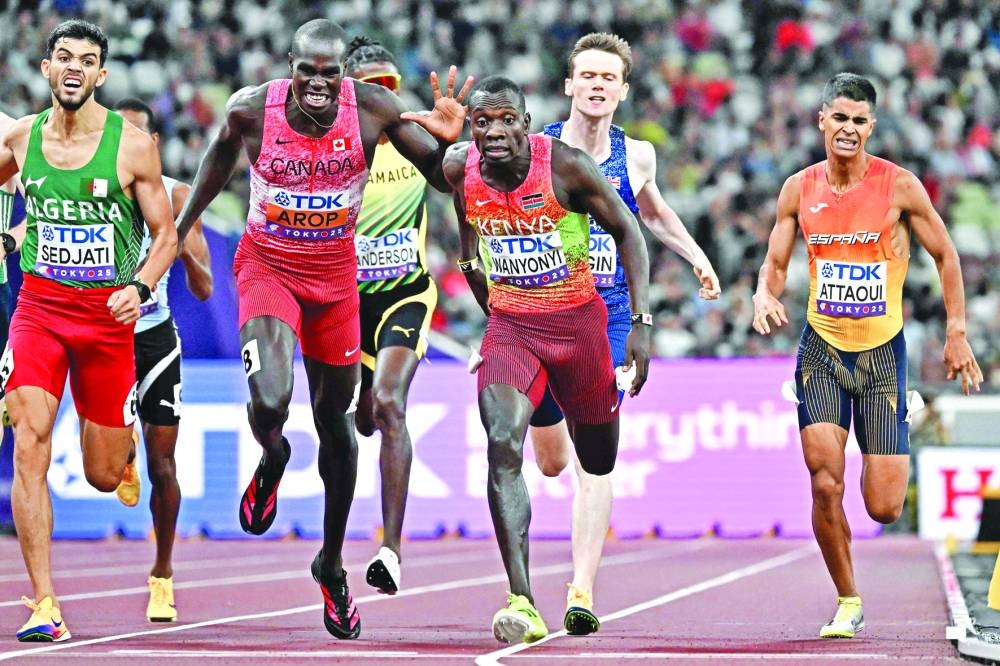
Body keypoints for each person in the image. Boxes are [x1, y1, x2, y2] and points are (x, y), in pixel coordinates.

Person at [172, 19, 470, 639]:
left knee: (339, 429)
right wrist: (179, 233)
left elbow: (443, 178)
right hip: (267, 267)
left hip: (336, 282)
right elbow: (215, 165)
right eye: (306, 71)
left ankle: (330, 565)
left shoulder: (374, 110)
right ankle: (274, 454)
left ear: (342, 76)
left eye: (329, 74)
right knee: (271, 398)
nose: (317, 84)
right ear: (289, 66)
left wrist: (451, 145)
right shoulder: (252, 110)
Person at [752, 72, 983, 638]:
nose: (848, 129)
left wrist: (956, 331)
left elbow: (946, 256)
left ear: (871, 126)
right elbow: (777, 262)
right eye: (840, 118)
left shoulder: (900, 187)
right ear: (822, 121)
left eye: (859, 121)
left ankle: (889, 432)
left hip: (882, 356)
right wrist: (764, 293)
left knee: (882, 507)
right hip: (820, 350)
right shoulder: (797, 189)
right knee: (824, 481)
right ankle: (848, 597)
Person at [442, 75, 651, 645]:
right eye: (481, 121)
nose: (493, 131)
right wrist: (472, 270)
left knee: (596, 459)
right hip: (512, 328)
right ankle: (521, 599)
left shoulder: (565, 166)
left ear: (526, 123)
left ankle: (581, 585)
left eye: (506, 119)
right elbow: (462, 224)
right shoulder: (461, 167)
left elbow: (629, 232)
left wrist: (639, 325)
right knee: (502, 441)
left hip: (579, 324)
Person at [529, 32, 721, 635]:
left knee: (594, 459)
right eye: (586, 75)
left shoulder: (636, 155)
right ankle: (548, 420)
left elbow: (654, 213)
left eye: (608, 78)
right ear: (568, 85)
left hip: (608, 316)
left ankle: (580, 588)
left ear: (623, 89)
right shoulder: (538, 149)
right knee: (553, 461)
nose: (596, 85)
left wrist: (696, 257)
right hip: (542, 311)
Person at [0, 20, 178, 642]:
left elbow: (166, 235)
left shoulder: (132, 146)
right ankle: (45, 603)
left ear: (101, 75)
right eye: (64, 57)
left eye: (88, 60)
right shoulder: (21, 140)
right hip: (40, 310)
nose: (74, 67)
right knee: (30, 441)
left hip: (106, 321)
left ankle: (121, 453)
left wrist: (141, 287)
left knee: (103, 475)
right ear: (46, 69)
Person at [111, 97, 214, 623]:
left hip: (154, 338)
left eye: (134, 137)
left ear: (152, 144)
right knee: (105, 471)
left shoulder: (176, 195)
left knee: (163, 464)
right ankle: (118, 446)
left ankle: (163, 574)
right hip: (105, 338)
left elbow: (204, 287)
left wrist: (182, 242)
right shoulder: (97, 191)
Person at [343, 37, 438, 595]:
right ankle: (362, 394)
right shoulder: (338, 150)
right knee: (360, 417)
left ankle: (391, 550)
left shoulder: (413, 142)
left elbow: (460, 182)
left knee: (388, 403)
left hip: (406, 294)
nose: (385, 98)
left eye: (391, 87)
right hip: (345, 304)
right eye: (372, 89)